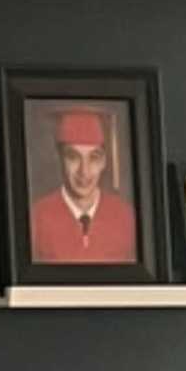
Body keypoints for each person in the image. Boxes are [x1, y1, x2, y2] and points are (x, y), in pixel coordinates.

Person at [33, 105, 141, 267]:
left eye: (94, 158)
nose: (84, 171)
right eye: (73, 157)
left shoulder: (126, 217)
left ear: (104, 161)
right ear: (60, 159)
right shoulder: (36, 218)